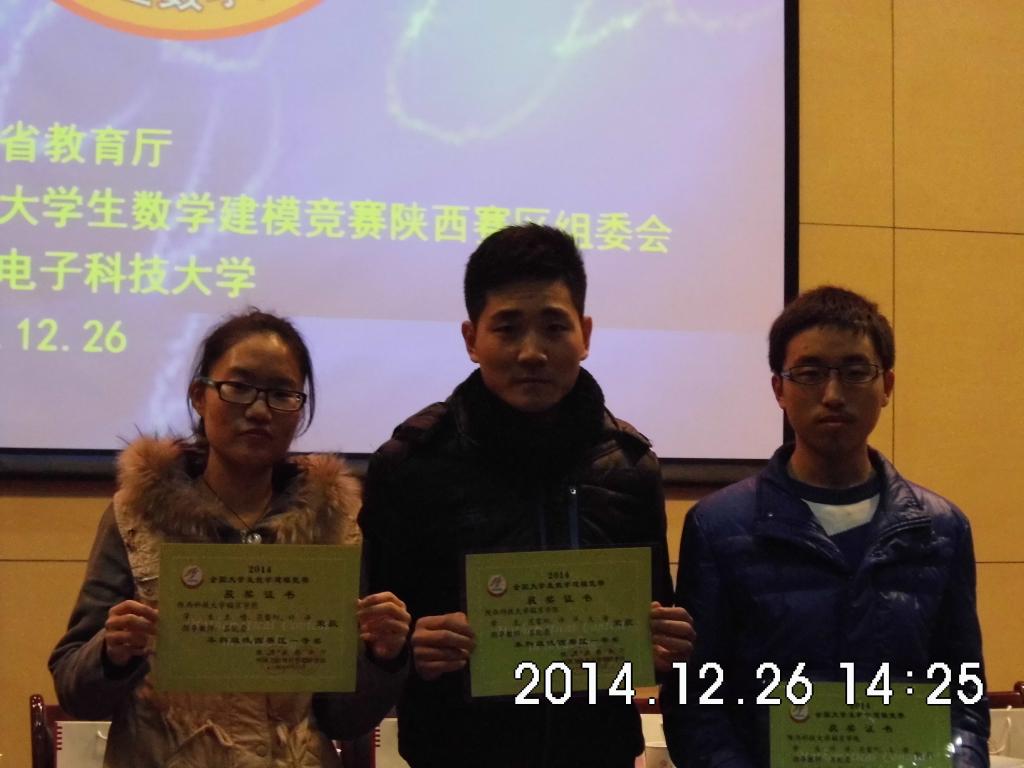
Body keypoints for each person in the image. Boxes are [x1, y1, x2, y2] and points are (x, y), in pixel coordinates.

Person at [358, 223, 695, 768]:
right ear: (471, 339)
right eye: (508, 328)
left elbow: (648, 637)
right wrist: (409, 648)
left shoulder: (631, 468)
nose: (532, 352)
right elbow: (373, 642)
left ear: (585, 334)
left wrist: (664, 647)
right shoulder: (409, 466)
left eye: (554, 327)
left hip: (596, 756)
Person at [50, 309, 411, 768]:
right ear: (199, 396)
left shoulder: (333, 527)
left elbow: (341, 718)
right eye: (238, 387)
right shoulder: (137, 514)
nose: (259, 410)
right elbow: (74, 689)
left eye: (281, 394)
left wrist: (383, 659)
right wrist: (112, 653)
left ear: (300, 410)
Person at [662, 286, 989, 768]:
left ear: (887, 385)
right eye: (810, 374)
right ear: (779, 389)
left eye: (855, 373)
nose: (833, 395)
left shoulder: (941, 528)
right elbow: (697, 703)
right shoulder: (718, 526)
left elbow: (964, 698)